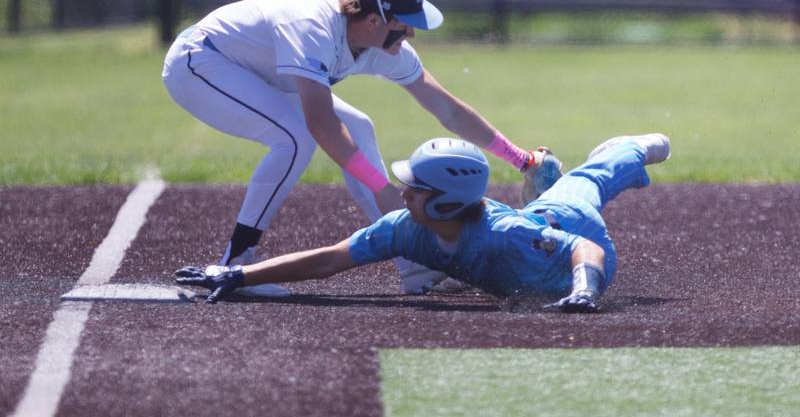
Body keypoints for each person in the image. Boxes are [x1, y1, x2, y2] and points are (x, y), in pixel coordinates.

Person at [162, 0, 562, 297]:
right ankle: (236, 263)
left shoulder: (381, 45)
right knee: (295, 139)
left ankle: (414, 265)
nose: (411, 33)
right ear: (374, 20)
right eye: (405, 23)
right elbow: (322, 125)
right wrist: (381, 187)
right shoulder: (313, 29)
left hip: (254, 72)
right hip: (199, 62)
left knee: (361, 126)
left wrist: (520, 158)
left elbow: (447, 109)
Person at [176, 133, 671, 312]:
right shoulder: (403, 228)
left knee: (586, 186)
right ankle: (544, 175)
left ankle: (629, 149)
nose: (403, 192)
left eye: (415, 188)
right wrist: (238, 274)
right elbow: (330, 259)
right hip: (531, 233)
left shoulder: (505, 233)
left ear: (444, 204)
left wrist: (585, 290)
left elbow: (587, 251)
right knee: (547, 199)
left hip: (571, 226)